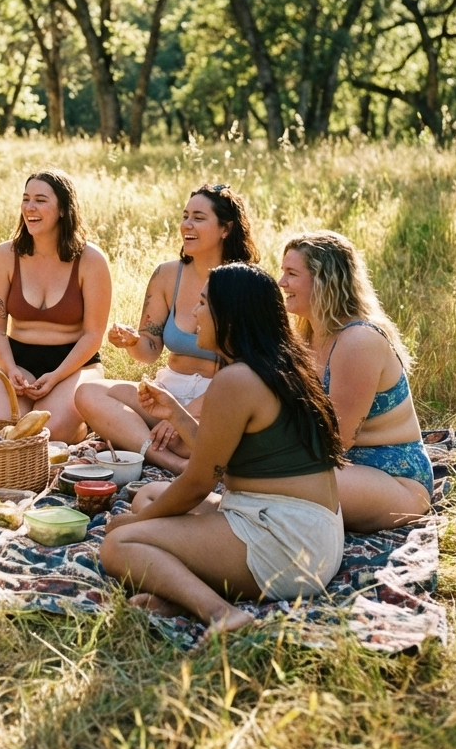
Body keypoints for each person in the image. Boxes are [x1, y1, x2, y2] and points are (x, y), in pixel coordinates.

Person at [100, 263, 344, 632]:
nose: (194, 314)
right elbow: (227, 460)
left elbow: (199, 481)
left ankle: (221, 613)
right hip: (311, 534)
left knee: (118, 543)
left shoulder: (236, 380)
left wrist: (135, 524)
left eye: (202, 304)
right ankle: (177, 592)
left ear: (229, 313)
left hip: (287, 544)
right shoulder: (276, 364)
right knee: (149, 494)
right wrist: (178, 414)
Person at [76, 184, 259, 471]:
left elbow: (249, 368)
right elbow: (149, 351)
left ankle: (151, 442)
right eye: (185, 216)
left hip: (216, 398)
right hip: (167, 390)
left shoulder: (245, 283)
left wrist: (183, 417)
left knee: (211, 435)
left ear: (226, 228)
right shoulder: (167, 274)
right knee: (88, 394)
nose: (187, 224)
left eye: (198, 218)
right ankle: (170, 459)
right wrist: (133, 341)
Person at [279, 232, 432, 532]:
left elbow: (337, 438)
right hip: (342, 468)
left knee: (275, 481)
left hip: (392, 478)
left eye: (292, 274)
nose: (282, 282)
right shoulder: (306, 334)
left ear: (324, 281)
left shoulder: (358, 340)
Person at [0, 169, 112, 444]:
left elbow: (93, 335)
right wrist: (9, 367)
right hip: (18, 361)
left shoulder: (91, 259)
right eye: (26, 199)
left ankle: (81, 423)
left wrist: (56, 377)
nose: (30, 207)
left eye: (40, 200)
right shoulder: (4, 256)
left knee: (46, 437)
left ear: (63, 209)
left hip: (73, 364)